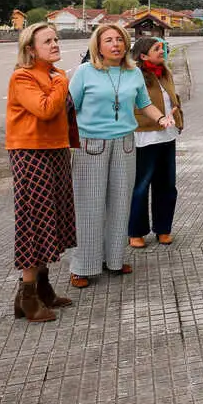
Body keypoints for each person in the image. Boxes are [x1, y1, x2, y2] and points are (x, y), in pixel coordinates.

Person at [67, 23, 174, 288]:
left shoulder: (133, 72)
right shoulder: (84, 72)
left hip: (125, 143)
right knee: (89, 206)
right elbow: (70, 108)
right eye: (108, 40)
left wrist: (161, 118)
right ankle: (82, 266)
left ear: (126, 44)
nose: (115, 44)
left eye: (119, 39)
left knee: (120, 204)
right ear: (98, 46)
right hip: (90, 145)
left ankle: (113, 259)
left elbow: (144, 104)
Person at [5, 22, 78, 323]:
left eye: (56, 39)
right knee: (33, 221)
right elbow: (45, 109)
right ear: (30, 49)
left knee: (53, 218)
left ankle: (43, 286)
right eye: (47, 41)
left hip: (56, 149)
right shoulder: (23, 77)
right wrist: (61, 81)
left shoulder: (53, 74)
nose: (55, 44)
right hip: (30, 153)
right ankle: (27, 295)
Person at [128, 37, 184, 249]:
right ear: (143, 55)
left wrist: (178, 118)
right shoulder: (135, 75)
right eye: (156, 49)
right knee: (140, 187)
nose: (162, 51)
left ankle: (163, 229)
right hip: (144, 136)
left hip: (167, 136)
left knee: (167, 186)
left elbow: (172, 99)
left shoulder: (165, 72)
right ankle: (135, 231)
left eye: (162, 47)